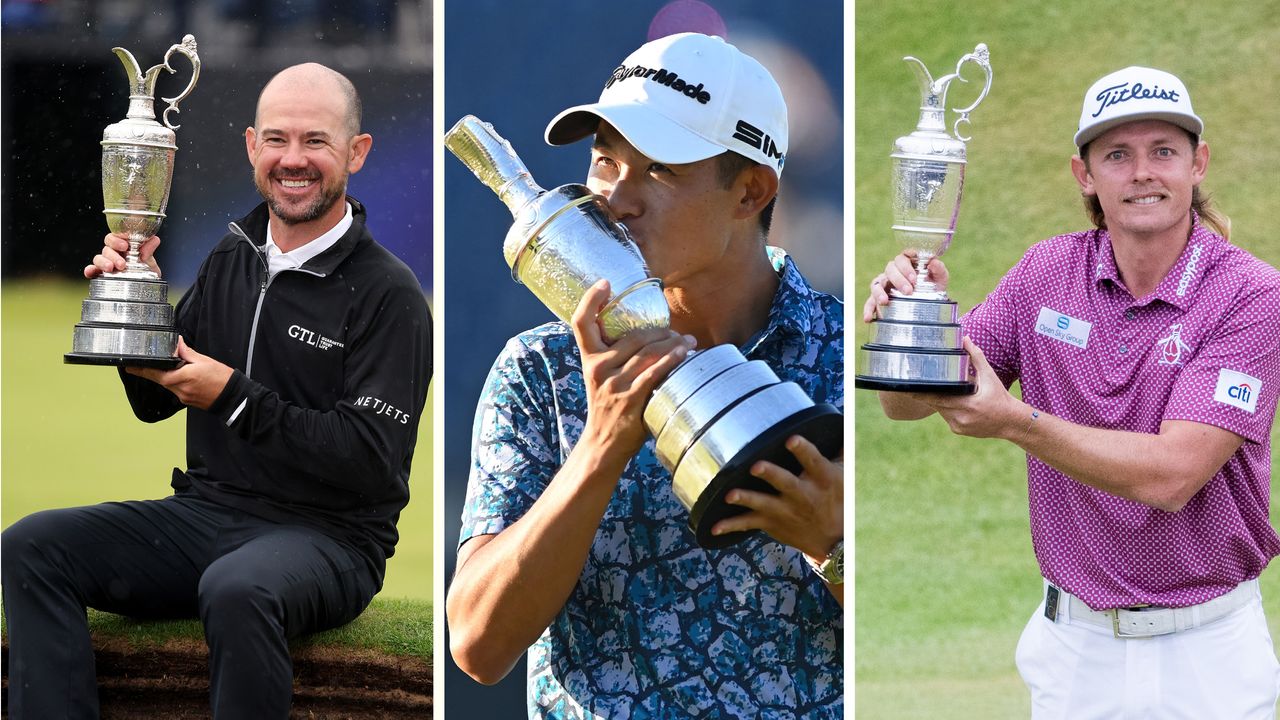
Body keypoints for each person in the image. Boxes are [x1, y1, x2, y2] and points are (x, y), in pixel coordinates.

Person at [2, 63, 432, 719]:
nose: (294, 159)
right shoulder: (231, 256)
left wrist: (232, 395)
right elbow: (156, 400)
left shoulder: (388, 293)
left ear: (356, 152)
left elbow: (369, 461)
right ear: (251, 146)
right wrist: (133, 308)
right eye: (277, 140)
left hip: (332, 539)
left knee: (238, 589)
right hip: (207, 515)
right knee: (30, 545)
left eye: (315, 141)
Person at [447, 32, 844, 718]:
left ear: (750, 191)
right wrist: (601, 446)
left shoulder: (844, 360)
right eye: (605, 162)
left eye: (659, 169)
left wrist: (836, 548)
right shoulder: (540, 371)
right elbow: (478, 645)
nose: (616, 198)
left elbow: (929, 638)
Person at [865, 65, 1280, 718]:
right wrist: (916, 323)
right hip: (1077, 652)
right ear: (1084, 175)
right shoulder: (1045, 273)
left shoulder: (1249, 294)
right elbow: (905, 404)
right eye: (1117, 154)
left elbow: (1173, 476)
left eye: (1163, 151)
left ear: (1197, 164)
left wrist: (1016, 422)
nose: (1142, 171)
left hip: (1210, 656)